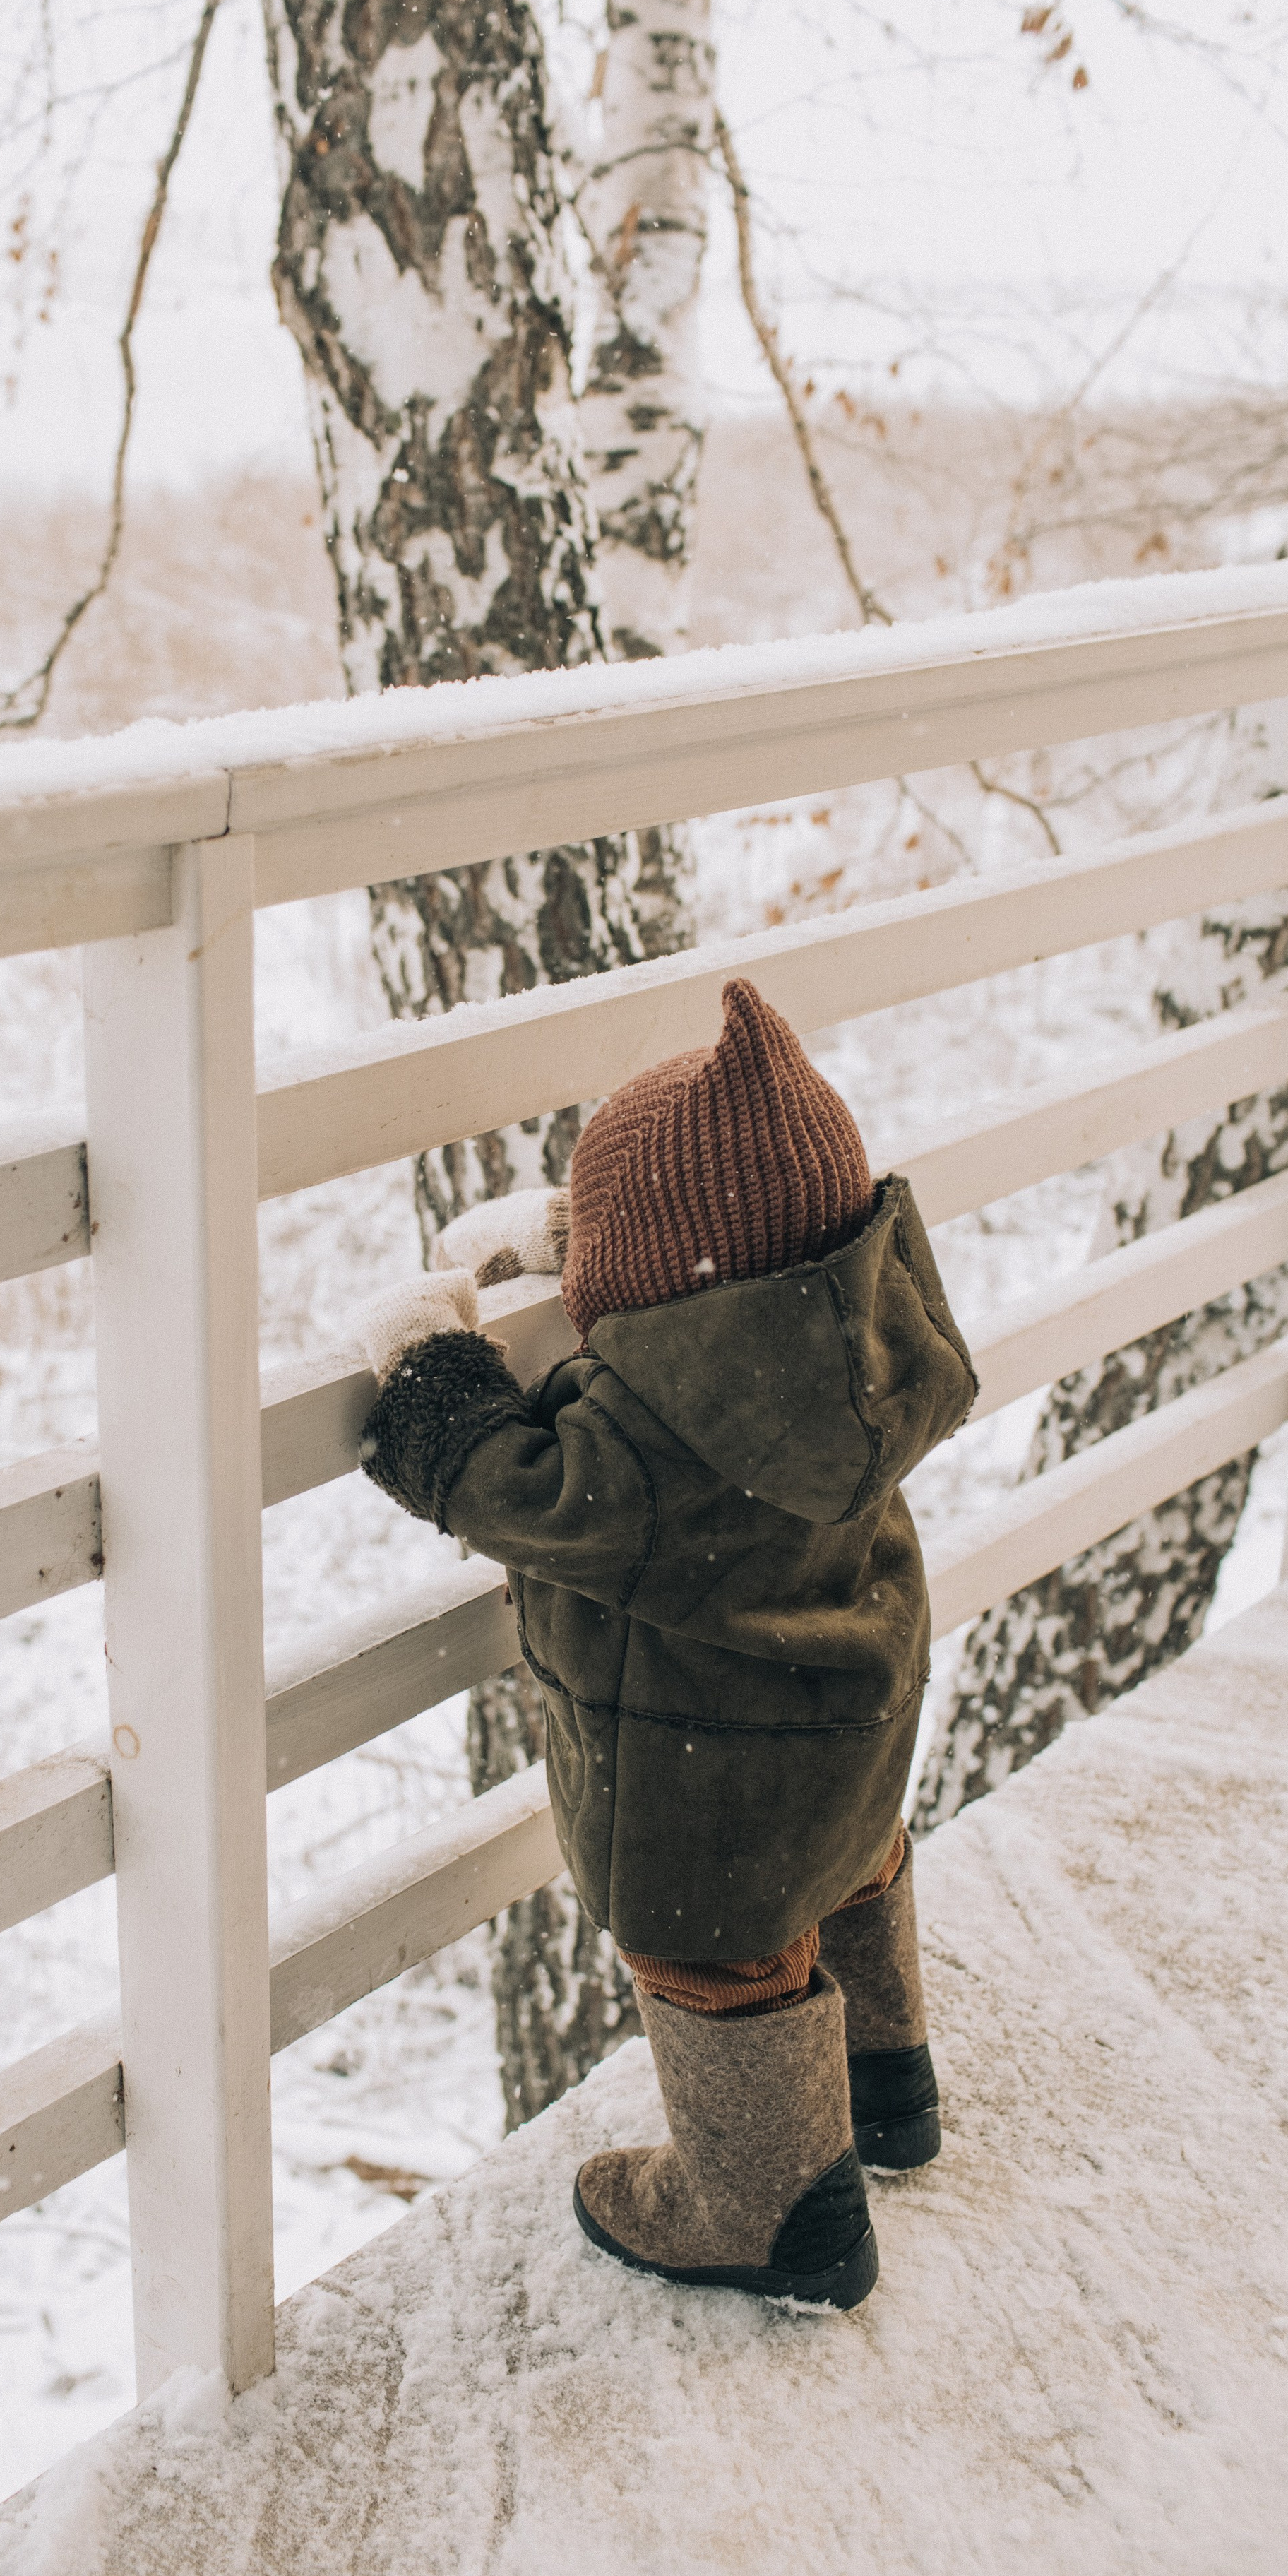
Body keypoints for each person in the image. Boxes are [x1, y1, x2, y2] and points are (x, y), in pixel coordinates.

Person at [345, 978, 977, 2310]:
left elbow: (508, 1486)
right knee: (849, 1873)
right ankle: (886, 2090)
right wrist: (586, 1227)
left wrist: (428, 1373)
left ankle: (774, 2215)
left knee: (720, 1955)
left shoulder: (651, 1449)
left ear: (657, 1281)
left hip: (716, 1781)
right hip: (856, 1726)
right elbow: (740, 1239)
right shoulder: (851, 1346)